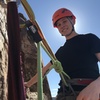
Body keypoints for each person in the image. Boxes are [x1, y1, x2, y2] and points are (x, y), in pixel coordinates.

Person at [24, 8, 100, 100]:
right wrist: (27, 85)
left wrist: (96, 86)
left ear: (73, 20)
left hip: (91, 92)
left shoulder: (90, 39)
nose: (62, 26)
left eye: (64, 21)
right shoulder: (60, 52)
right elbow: (43, 72)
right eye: (59, 25)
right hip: (64, 95)